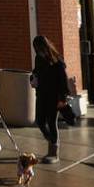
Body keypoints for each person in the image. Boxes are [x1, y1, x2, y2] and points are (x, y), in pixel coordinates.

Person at [30, 35, 70, 164]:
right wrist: (33, 77)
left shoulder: (57, 60)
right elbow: (36, 71)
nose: (37, 51)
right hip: (41, 94)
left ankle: (54, 151)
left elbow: (63, 81)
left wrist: (63, 98)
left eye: (37, 48)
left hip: (54, 97)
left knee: (51, 122)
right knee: (40, 120)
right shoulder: (38, 59)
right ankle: (52, 141)